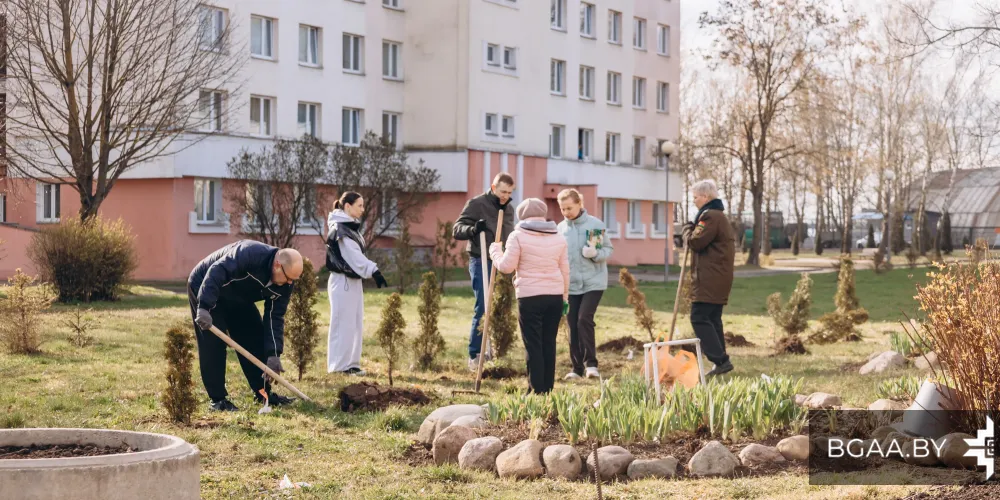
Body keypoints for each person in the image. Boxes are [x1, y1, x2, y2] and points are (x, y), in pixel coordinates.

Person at [188, 241, 302, 412]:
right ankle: (218, 400)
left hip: (238, 295)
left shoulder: (286, 284)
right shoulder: (249, 253)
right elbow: (217, 271)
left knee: (254, 336)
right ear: (277, 265)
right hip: (206, 285)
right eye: (287, 278)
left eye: (292, 281)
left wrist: (273, 354)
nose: (288, 284)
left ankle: (263, 393)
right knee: (213, 344)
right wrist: (203, 306)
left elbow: (275, 317)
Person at [489, 198, 569, 394]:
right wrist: (565, 297)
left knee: (533, 343)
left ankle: (535, 389)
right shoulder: (558, 236)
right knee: (549, 342)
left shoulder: (517, 236)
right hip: (554, 296)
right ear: (543, 214)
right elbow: (565, 270)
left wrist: (495, 252)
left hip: (530, 296)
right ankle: (547, 389)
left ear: (521, 216)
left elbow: (507, 267)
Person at [453, 173, 516, 371]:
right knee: (483, 306)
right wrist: (472, 229)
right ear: (493, 187)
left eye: (509, 192)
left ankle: (496, 350)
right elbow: (457, 229)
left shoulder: (509, 209)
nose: (505, 195)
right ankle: (475, 354)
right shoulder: (477, 204)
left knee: (500, 308)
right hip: (481, 260)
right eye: (503, 191)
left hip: (503, 262)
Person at [325, 191, 388, 375]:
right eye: (359, 205)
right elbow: (353, 256)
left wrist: (371, 270)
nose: (363, 209)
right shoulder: (340, 230)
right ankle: (338, 367)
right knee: (342, 324)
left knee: (354, 322)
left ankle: (351, 364)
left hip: (352, 281)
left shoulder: (349, 228)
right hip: (342, 280)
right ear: (347, 206)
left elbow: (355, 257)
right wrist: (373, 270)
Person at [556, 189, 613, 380]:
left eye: (569, 208)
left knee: (583, 319)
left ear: (579, 203)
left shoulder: (594, 225)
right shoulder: (560, 229)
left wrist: (595, 254)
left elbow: (607, 249)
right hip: (571, 284)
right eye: (563, 209)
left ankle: (591, 365)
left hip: (593, 282)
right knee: (572, 323)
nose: (566, 213)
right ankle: (576, 368)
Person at [681, 179, 736, 377]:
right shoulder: (717, 215)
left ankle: (720, 359)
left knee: (699, 317)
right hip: (717, 276)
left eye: (695, 197)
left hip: (710, 278)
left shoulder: (710, 217)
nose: (694, 201)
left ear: (705, 197)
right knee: (712, 319)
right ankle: (721, 361)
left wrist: (687, 229)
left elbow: (696, 241)